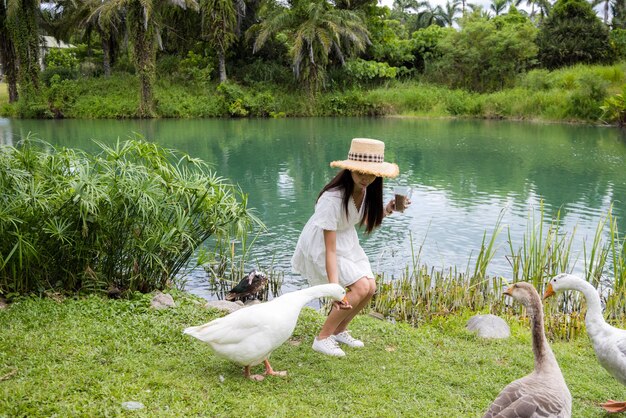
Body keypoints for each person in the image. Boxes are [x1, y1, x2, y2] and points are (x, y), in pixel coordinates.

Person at [291, 138, 405, 357]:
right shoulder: (332, 199)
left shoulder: (366, 191)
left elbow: (358, 218)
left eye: (371, 173)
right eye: (360, 172)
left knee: (370, 288)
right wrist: (335, 289)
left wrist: (388, 209)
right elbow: (330, 249)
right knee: (359, 287)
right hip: (323, 245)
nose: (365, 178)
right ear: (349, 169)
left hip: (347, 240)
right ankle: (322, 338)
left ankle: (339, 331)